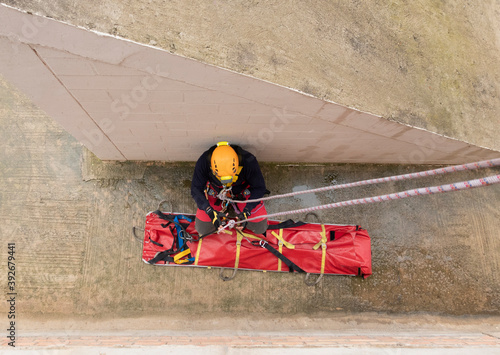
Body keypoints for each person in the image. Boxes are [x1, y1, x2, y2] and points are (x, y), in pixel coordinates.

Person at [191, 141, 268, 236]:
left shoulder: (248, 161)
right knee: (203, 229)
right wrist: (209, 210)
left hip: (242, 192)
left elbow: (259, 188)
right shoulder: (204, 161)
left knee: (260, 228)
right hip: (216, 193)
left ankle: (239, 207)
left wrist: (248, 209)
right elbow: (195, 189)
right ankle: (221, 208)